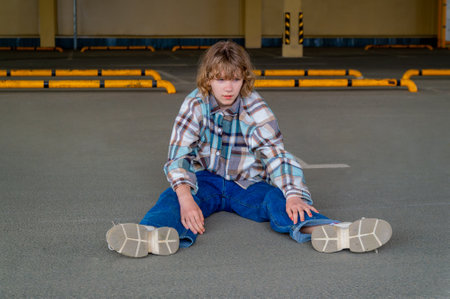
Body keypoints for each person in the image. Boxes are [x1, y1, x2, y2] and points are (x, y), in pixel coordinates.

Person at [106, 41, 392, 258]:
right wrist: (184, 196)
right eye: (220, 79)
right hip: (205, 178)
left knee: (277, 199)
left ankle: (328, 230)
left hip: (247, 183)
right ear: (208, 80)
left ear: (244, 79)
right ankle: (151, 233)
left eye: (235, 79)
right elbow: (178, 156)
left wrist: (293, 194)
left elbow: (275, 154)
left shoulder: (256, 107)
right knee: (172, 198)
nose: (228, 87)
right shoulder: (195, 104)